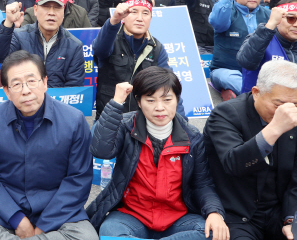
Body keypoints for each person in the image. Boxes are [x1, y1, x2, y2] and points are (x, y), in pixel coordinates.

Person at [0, 50, 97, 240]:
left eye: (31, 81)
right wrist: (17, 218)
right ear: (7, 92)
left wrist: (43, 226)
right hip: (6, 208)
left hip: (58, 211)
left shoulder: (73, 120)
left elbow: (78, 180)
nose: (25, 90)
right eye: (16, 84)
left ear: (44, 82)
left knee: (86, 237)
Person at [88, 66, 228, 240]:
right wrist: (116, 102)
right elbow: (101, 150)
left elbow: (203, 184)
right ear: (139, 102)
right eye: (151, 100)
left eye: (167, 99)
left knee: (211, 231)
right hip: (131, 216)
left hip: (177, 218)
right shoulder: (125, 126)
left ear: (177, 100)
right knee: (110, 232)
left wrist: (214, 212)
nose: (159, 107)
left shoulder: (192, 137)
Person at [204, 60, 297, 240]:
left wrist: (293, 220)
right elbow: (233, 163)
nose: (287, 111)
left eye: (295, 104)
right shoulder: (226, 114)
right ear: (256, 93)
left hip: (279, 210)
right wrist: (274, 129)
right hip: (237, 212)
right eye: (279, 104)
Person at [93, 0, 183, 118]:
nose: (140, 18)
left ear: (151, 18)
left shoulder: (157, 48)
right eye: (133, 12)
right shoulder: (111, 39)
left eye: (145, 13)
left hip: (143, 121)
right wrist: (114, 20)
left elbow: (169, 86)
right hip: (109, 119)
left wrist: (182, 125)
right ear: (124, 16)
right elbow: (99, 50)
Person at [0, 0, 85, 87]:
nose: (51, 13)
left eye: (57, 8)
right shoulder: (20, 36)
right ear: (35, 10)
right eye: (46, 7)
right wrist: (8, 22)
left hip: (56, 101)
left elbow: (74, 88)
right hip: (24, 99)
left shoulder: (74, 46)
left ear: (63, 12)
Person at [237, 0, 297, 116]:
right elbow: (246, 62)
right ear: (278, 20)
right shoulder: (259, 39)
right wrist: (270, 24)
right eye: (291, 18)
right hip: (260, 114)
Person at [209, 0, 271, 100]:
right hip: (226, 70)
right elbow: (217, 22)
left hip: (260, 72)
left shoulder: (268, 14)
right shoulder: (227, 10)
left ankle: (242, 96)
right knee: (231, 78)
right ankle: (257, 99)